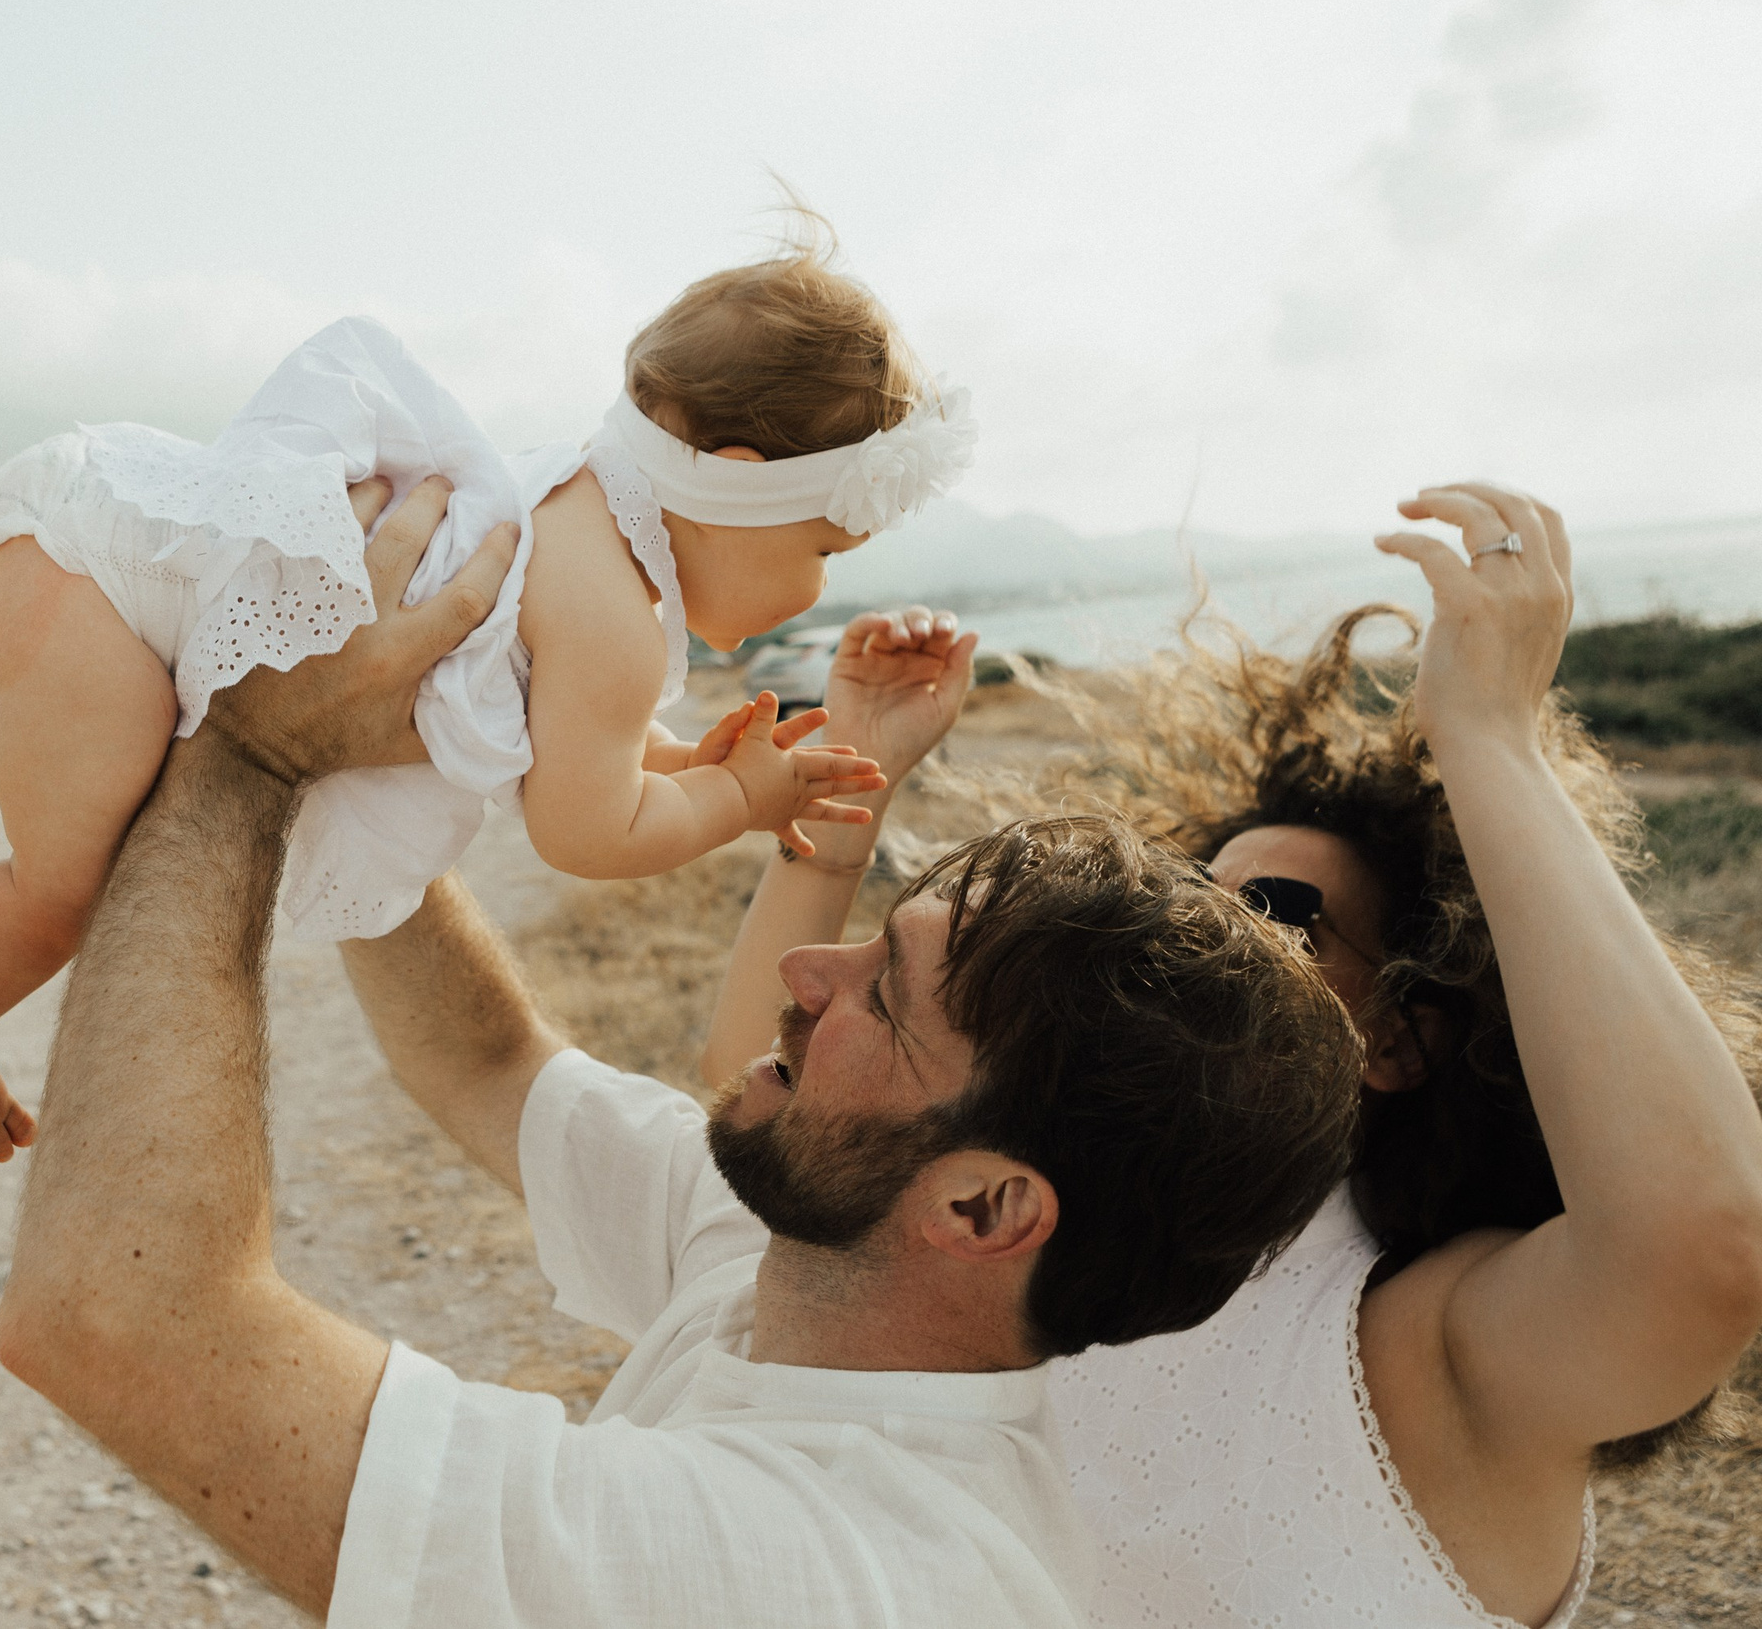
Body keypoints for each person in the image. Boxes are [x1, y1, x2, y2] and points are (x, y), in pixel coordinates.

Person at [0, 473, 1366, 1626]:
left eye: (882, 1001)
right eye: (870, 945)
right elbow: (491, 1064)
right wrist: (380, 740)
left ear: (985, 1207)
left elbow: (119, 1314)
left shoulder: (834, 1575)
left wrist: (252, 758)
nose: (807, 974)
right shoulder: (802, 1258)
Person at [0, 220, 963, 1171]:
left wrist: (681, 762)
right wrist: (740, 797)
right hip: (121, 602)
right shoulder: (616, 612)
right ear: (739, 480)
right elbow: (583, 827)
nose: (813, 588)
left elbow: (564, 742)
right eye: (822, 550)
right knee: (66, 885)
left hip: (114, 543)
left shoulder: (570, 498)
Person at [698, 483, 1762, 1627]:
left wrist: (1491, 740)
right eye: (1191, 896)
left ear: (1398, 1038)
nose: (1203, 942)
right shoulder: (1055, 1217)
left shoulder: (1424, 1348)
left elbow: (1698, 1243)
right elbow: (779, 1093)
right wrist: (846, 792)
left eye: (1275, 916)